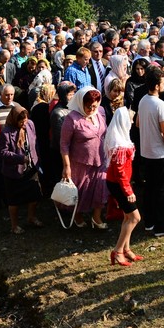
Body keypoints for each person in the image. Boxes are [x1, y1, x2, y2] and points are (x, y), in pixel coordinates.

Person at [137, 65, 164, 236]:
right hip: (160, 153)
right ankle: (161, 225)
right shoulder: (160, 104)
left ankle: (149, 222)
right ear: (156, 85)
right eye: (162, 82)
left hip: (147, 151)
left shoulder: (143, 101)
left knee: (149, 189)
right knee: (161, 190)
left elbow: (139, 124)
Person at [103, 82, 143, 266]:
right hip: (119, 183)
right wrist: (128, 191)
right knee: (135, 217)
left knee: (128, 216)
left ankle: (126, 248)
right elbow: (119, 171)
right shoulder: (120, 143)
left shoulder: (122, 138)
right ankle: (118, 250)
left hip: (121, 182)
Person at [60, 86, 109, 229]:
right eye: (88, 107)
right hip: (80, 163)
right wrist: (67, 166)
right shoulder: (72, 119)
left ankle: (96, 218)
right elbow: (64, 144)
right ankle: (77, 215)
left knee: (101, 188)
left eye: (94, 106)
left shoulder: (99, 113)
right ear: (81, 103)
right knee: (80, 191)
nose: (92, 109)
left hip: (100, 159)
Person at [0, 104, 43, 234]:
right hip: (14, 171)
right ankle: (14, 225)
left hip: (30, 168)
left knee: (34, 195)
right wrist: (20, 158)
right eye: (21, 121)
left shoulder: (30, 125)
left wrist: (37, 160)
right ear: (14, 120)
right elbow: (2, 152)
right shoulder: (6, 132)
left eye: (25, 120)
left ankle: (31, 217)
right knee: (14, 201)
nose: (24, 123)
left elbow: (35, 143)